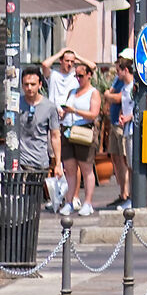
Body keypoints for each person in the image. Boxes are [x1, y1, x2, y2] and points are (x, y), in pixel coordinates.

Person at [55, 56, 100, 216]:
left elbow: (93, 114)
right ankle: (70, 201)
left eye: (81, 75)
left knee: (86, 168)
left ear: (89, 75)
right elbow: (68, 109)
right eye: (76, 76)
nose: (78, 79)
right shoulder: (72, 92)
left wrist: (75, 111)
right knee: (70, 168)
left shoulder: (93, 93)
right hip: (68, 130)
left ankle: (88, 202)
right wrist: (63, 112)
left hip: (84, 132)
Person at [13, 66, 62, 210]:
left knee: (33, 203)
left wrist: (57, 163)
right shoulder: (16, 104)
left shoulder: (49, 107)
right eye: (26, 84)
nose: (29, 88)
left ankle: (30, 230)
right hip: (20, 161)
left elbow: (55, 135)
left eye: (33, 84)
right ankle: (19, 230)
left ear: (40, 84)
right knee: (18, 202)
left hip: (39, 161)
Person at [103, 48, 137, 210]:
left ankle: (131, 196)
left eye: (118, 69)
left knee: (130, 164)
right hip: (121, 126)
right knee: (122, 161)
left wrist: (129, 117)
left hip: (129, 129)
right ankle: (126, 195)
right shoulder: (122, 84)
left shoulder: (133, 86)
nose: (116, 73)